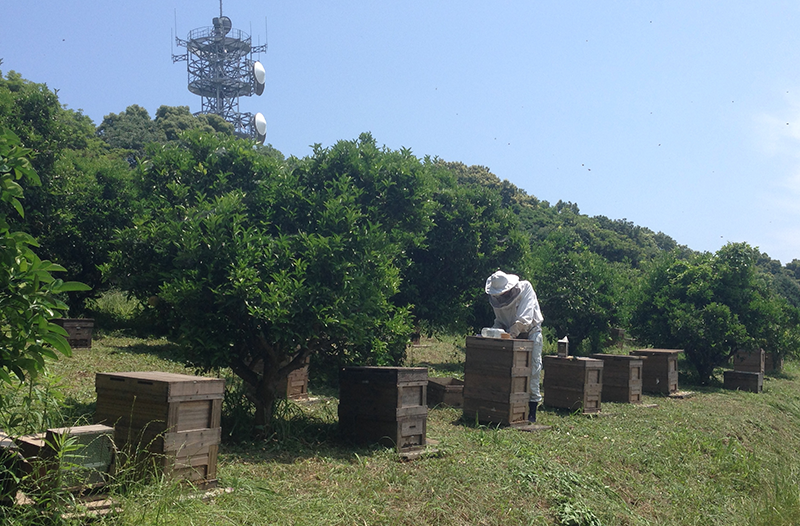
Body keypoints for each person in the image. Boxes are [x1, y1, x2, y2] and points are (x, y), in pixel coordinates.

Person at [485, 270, 544, 423]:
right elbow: (500, 321)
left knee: (532, 370)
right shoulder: (496, 299)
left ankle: (532, 411)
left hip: (530, 334)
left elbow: (524, 320)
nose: (500, 297)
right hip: (510, 337)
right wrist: (493, 333)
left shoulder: (525, 288)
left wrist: (511, 334)